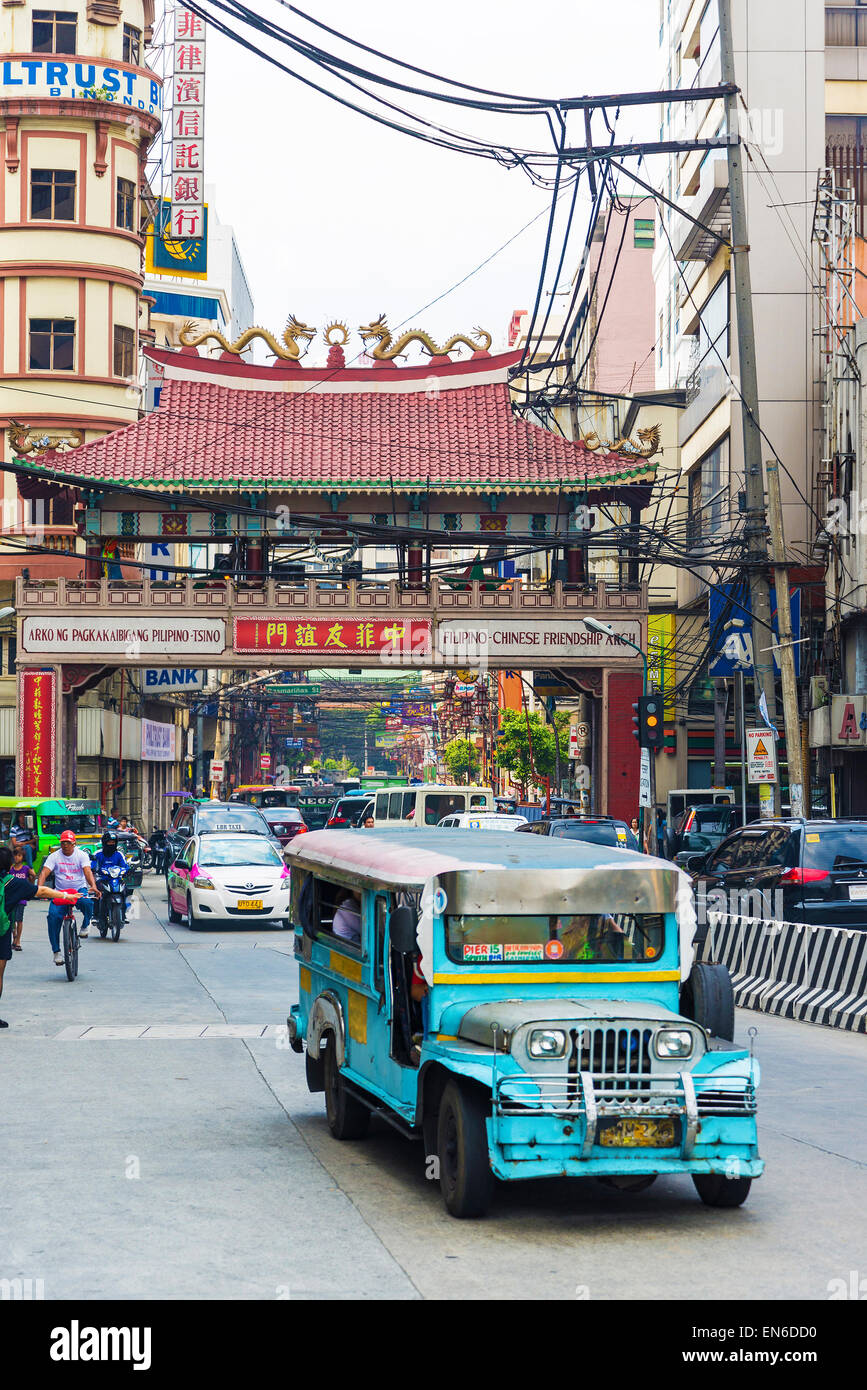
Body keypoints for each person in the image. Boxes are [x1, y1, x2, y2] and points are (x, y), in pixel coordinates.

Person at [0, 845, 84, 1027]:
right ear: (8, 864)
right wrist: (66, 896)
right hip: (2, 932)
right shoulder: (13, 883)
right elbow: (43, 891)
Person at [37, 831, 99, 966]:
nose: (65, 845)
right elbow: (44, 873)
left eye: (68, 843)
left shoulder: (81, 855)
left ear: (74, 843)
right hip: (60, 892)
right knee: (53, 917)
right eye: (63, 843)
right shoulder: (54, 856)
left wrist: (93, 886)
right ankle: (56, 952)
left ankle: (86, 924)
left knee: (87, 902)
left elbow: (87, 871)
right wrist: (39, 889)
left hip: (78, 890)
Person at [91, 831, 131, 923]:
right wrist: (93, 868)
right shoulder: (98, 854)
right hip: (102, 880)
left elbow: (125, 866)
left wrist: (127, 870)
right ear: (105, 843)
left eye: (113, 842)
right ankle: (95, 915)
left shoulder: (119, 854)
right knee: (97, 893)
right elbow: (92, 864)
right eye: (109, 842)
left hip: (117, 880)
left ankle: (124, 914)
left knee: (126, 891)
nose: (111, 844)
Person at [9, 842, 34, 951]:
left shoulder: (26, 869)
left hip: (21, 899)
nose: (16, 857)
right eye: (15, 855)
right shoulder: (11, 869)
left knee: (19, 919)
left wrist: (31, 883)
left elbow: (32, 877)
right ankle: (14, 937)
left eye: (19, 855)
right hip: (11, 898)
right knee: (11, 920)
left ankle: (18, 940)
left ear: (23, 857)